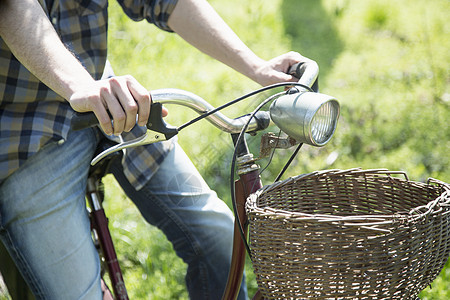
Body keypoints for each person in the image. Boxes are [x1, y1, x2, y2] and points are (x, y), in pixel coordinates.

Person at [0, 0, 311, 299]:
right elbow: (13, 6)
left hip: (116, 107)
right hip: (26, 135)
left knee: (220, 240)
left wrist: (258, 67)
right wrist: (80, 87)